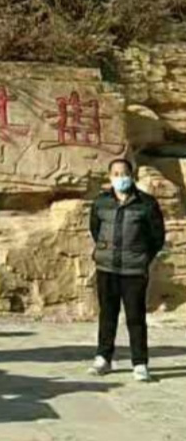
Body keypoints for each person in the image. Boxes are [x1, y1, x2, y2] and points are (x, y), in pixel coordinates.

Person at [88, 158, 165, 382]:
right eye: (116, 174)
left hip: (134, 270)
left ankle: (140, 363)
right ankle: (103, 358)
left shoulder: (146, 203)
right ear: (109, 177)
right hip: (107, 268)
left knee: (135, 317)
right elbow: (95, 229)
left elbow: (157, 236)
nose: (120, 178)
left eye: (124, 174)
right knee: (107, 314)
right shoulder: (101, 202)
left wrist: (142, 257)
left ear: (132, 176)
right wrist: (105, 250)